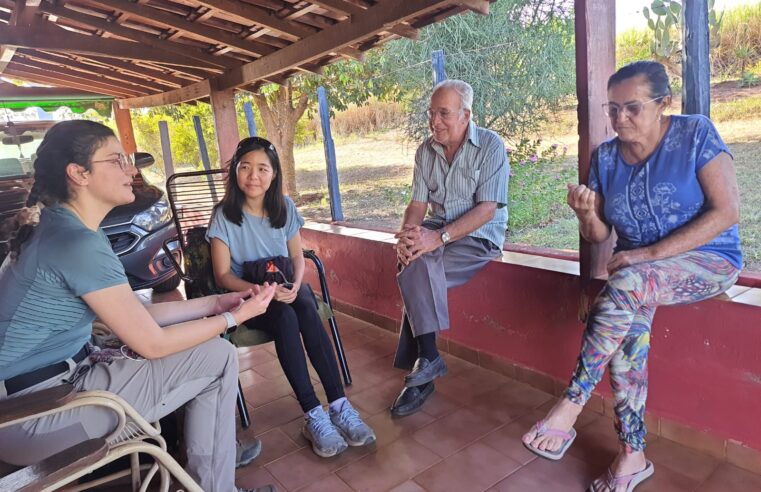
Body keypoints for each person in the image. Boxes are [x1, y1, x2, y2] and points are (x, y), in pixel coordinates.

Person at [0, 120, 278, 492]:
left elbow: (137, 314)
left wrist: (215, 303)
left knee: (210, 353)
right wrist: (234, 317)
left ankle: (213, 461)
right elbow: (152, 343)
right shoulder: (75, 243)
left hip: (41, 397)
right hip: (39, 414)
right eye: (117, 160)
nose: (132, 170)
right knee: (219, 358)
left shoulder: (64, 228)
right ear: (79, 173)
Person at [521, 61, 742, 492]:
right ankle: (633, 454)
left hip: (707, 260)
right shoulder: (604, 158)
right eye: (613, 109)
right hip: (634, 277)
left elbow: (727, 211)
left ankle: (572, 402)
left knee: (628, 284)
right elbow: (600, 234)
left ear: (664, 104)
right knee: (625, 342)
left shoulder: (694, 134)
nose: (621, 118)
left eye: (633, 108)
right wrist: (587, 214)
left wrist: (651, 253)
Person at [208, 136, 375, 458]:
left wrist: (297, 284)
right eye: (245, 168)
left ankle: (339, 405)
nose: (252, 176)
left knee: (304, 304)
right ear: (235, 173)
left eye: (262, 169)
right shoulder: (224, 216)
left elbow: (298, 258)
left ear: (273, 174)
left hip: (286, 288)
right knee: (285, 317)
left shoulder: (284, 208)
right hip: (250, 294)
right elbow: (223, 275)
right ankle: (313, 414)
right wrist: (256, 291)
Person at [390, 79, 510, 417]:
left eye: (444, 113)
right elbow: (417, 204)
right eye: (431, 113)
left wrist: (435, 240)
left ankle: (423, 366)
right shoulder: (425, 151)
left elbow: (488, 209)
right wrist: (409, 236)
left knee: (418, 267)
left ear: (466, 114)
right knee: (413, 259)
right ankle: (427, 362)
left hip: (478, 236)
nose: (435, 121)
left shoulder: (490, 146)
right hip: (437, 230)